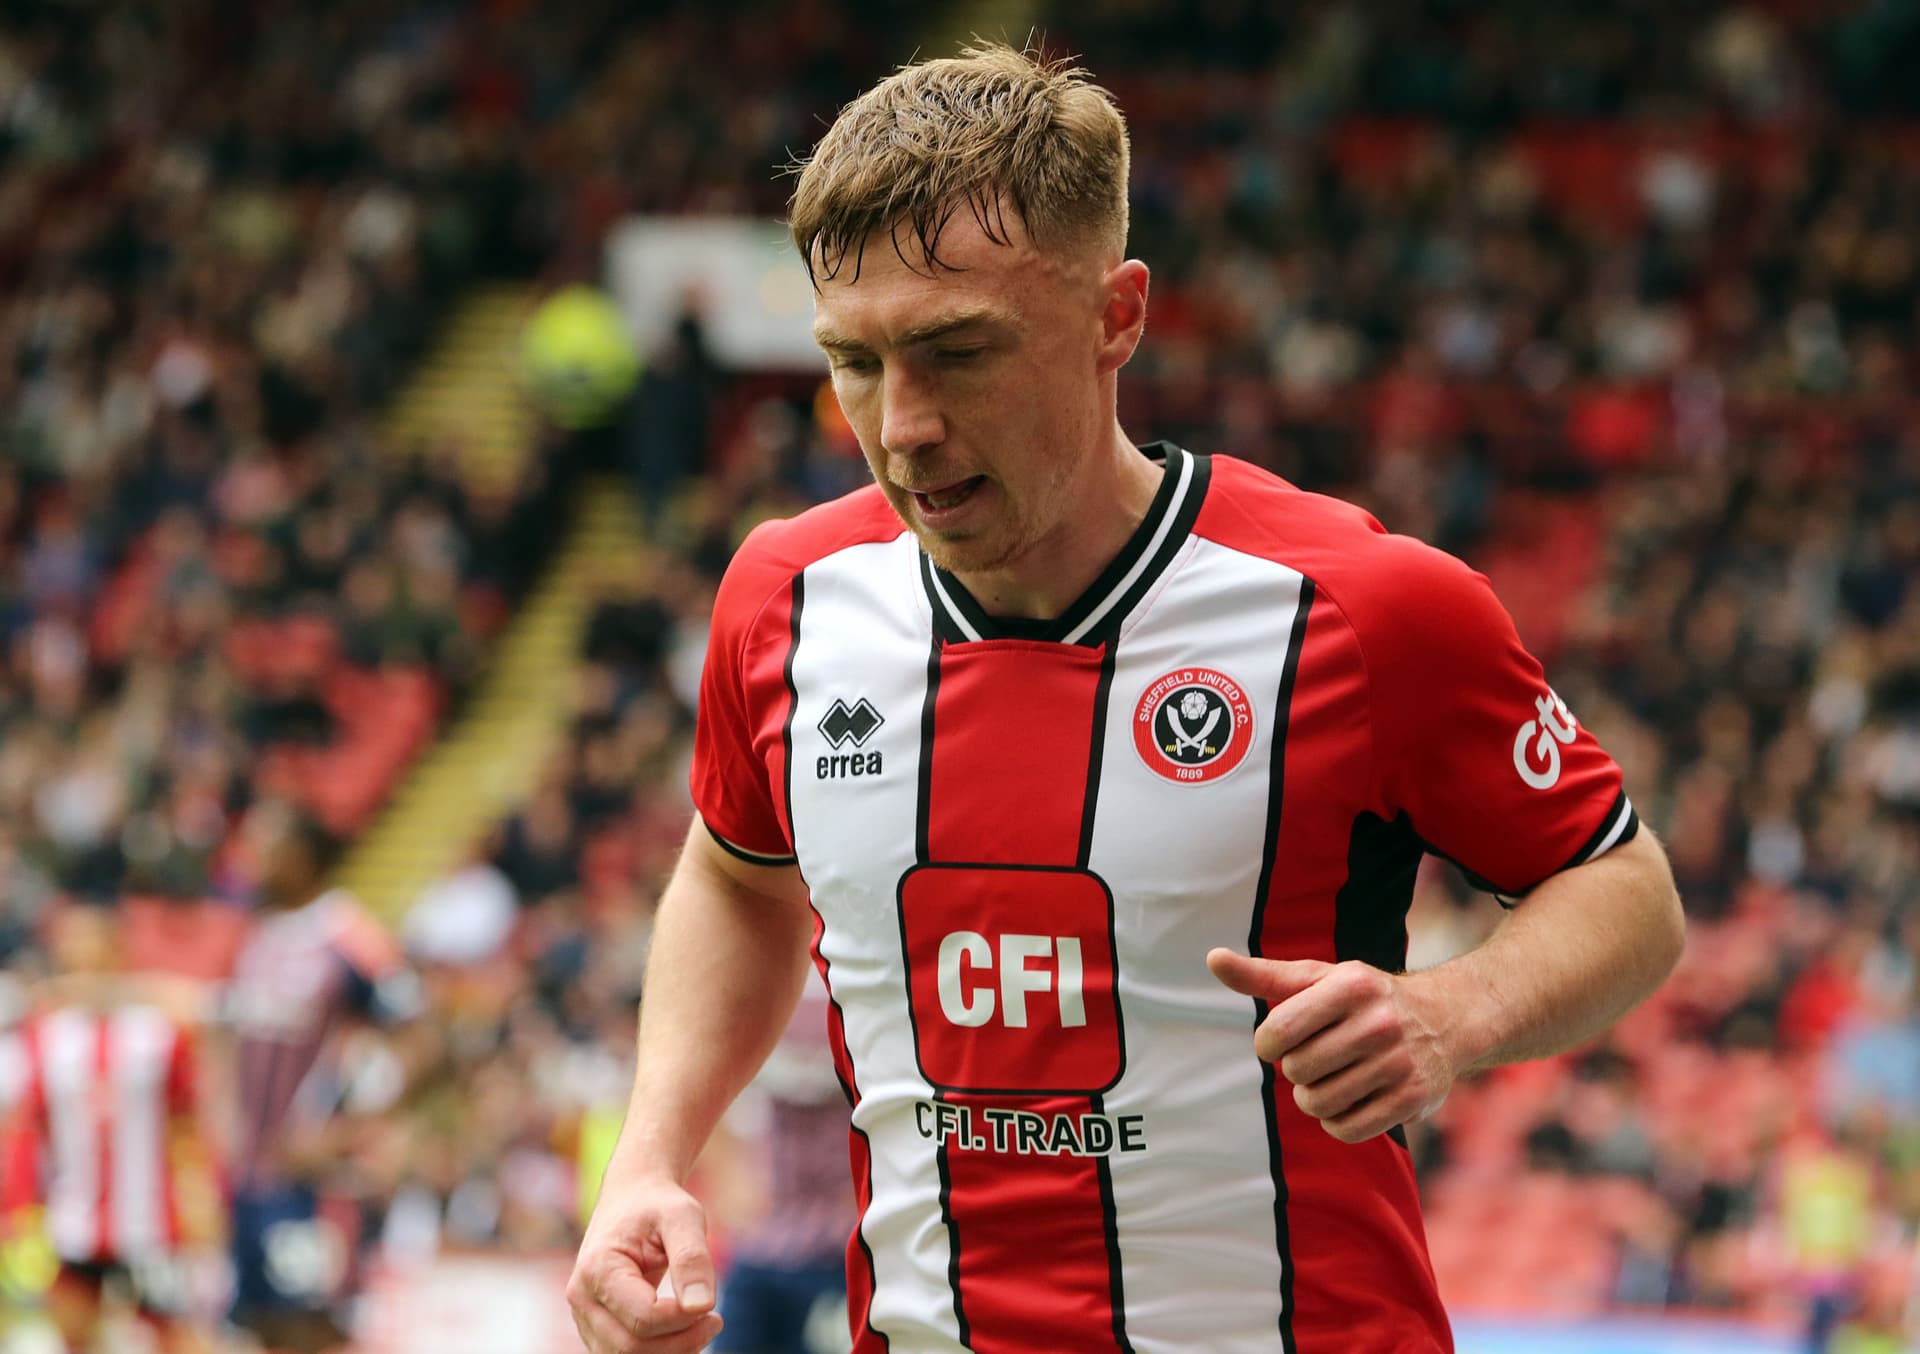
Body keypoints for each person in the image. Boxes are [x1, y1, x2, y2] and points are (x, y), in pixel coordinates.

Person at [570, 42, 1685, 1354]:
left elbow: (1628, 892)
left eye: (956, 351)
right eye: (855, 363)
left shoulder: (1363, 606)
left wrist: (1452, 1012)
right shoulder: (785, 600)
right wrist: (651, 1156)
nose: (903, 423)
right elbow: (738, 876)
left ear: (1118, 315)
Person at [222, 804, 421, 1354]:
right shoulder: (259, 938)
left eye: (268, 845)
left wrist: (353, 1127)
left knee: (314, 1328)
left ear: (304, 855)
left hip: (315, 1182)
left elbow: (420, 1035)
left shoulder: (348, 935)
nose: (252, 859)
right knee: (262, 1326)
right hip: (253, 1175)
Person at [0, 905, 221, 1354]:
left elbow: (185, 1127)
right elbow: (29, 1131)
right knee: (74, 1336)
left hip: (151, 1224)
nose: (81, 956)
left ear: (117, 952)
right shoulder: (43, 1037)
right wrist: (20, 1207)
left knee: (177, 1339)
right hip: (72, 1221)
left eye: (92, 944)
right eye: (71, 946)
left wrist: (201, 1203)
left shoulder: (159, 1032)